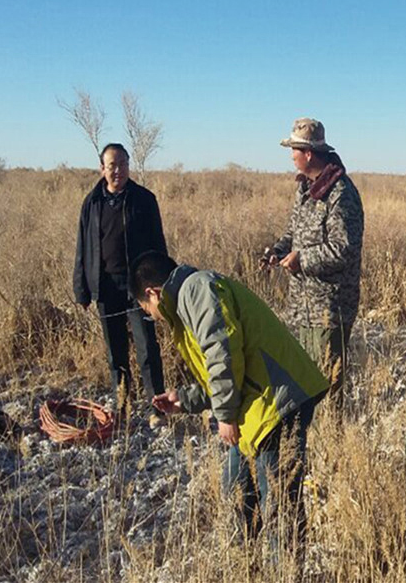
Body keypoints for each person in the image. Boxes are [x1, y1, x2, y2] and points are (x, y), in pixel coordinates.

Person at [130, 251, 330, 548]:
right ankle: (249, 563)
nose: (152, 317)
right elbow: (223, 371)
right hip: (255, 408)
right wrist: (184, 400)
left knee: (279, 507)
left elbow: (223, 354)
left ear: (152, 293)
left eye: (146, 309)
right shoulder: (189, 299)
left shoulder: (197, 289)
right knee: (237, 490)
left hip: (277, 403)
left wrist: (224, 415)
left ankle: (283, 566)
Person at [262, 118, 364, 408]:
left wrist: (302, 259)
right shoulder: (305, 188)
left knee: (328, 382)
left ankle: (332, 428)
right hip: (303, 307)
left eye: (294, 150)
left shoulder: (341, 193)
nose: (291, 156)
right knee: (306, 379)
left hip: (329, 309)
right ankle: (313, 427)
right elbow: (294, 232)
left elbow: (344, 249)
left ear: (308, 154)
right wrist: (278, 251)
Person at [73, 143, 167, 417]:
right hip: (106, 286)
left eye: (123, 164)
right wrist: (82, 289)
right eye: (112, 165)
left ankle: (157, 408)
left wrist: (162, 282)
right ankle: (123, 405)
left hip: (140, 286)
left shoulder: (144, 199)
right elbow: (83, 247)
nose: (118, 170)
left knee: (147, 347)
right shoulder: (92, 203)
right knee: (115, 351)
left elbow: (158, 244)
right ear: (102, 168)